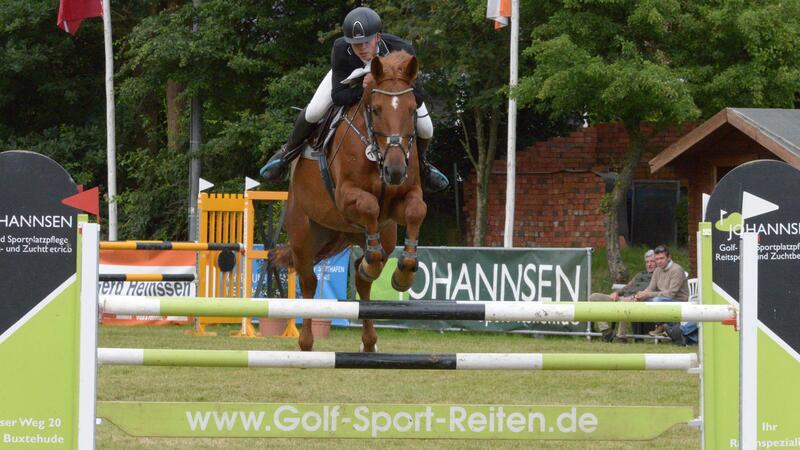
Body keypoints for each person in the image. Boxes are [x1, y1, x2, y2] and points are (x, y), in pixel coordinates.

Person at [260, 6, 449, 194]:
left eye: (367, 42)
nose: (362, 49)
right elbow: (339, 96)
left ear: (378, 37)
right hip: (352, 84)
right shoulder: (341, 49)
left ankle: (423, 166)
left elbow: (418, 95)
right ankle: (286, 154)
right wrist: (365, 88)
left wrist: (382, 88)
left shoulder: (402, 50)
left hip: (392, 92)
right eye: (356, 44)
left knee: (426, 128)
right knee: (315, 110)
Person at [589, 249, 656, 342]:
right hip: (623, 298)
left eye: (652, 261)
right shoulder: (640, 274)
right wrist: (616, 293)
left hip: (636, 300)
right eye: (647, 262)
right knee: (593, 297)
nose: (649, 264)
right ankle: (606, 331)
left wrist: (635, 296)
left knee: (624, 302)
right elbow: (627, 287)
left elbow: (654, 291)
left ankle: (621, 337)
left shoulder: (658, 276)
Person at [633, 245, 690, 336]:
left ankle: (667, 326)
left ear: (669, 257)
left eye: (662, 258)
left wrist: (649, 294)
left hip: (679, 300)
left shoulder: (677, 270)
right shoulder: (657, 270)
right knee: (642, 300)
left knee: (656, 300)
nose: (659, 261)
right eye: (657, 259)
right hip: (663, 298)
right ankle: (660, 327)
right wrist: (641, 294)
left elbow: (671, 293)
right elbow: (650, 288)